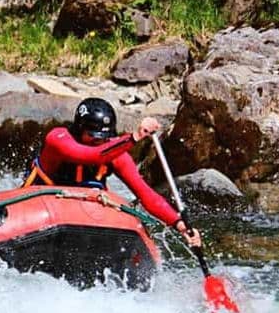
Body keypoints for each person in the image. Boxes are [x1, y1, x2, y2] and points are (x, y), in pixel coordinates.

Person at [23, 97, 202, 247]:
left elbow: (146, 194)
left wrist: (179, 224)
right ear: (79, 130)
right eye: (92, 135)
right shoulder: (58, 139)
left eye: (104, 137)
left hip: (86, 218)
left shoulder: (116, 155)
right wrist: (134, 138)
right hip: (39, 209)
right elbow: (89, 156)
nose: (98, 141)